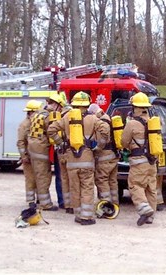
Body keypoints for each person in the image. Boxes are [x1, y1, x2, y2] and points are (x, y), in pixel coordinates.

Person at [48, 92, 109, 225]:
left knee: (75, 187)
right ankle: (86, 217)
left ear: (74, 104)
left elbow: (51, 130)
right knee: (87, 187)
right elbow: (105, 129)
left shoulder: (66, 117)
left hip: (71, 160)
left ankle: (78, 214)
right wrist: (99, 146)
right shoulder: (93, 119)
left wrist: (60, 143)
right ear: (87, 104)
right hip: (87, 158)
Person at [121, 92, 157, 226]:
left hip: (138, 162)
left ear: (135, 107)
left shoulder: (132, 124)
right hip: (152, 162)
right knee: (150, 188)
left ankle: (144, 209)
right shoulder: (154, 121)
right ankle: (150, 216)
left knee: (135, 185)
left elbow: (124, 142)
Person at [27, 93, 63, 211]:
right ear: (57, 105)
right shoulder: (48, 116)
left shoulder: (39, 113)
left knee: (38, 175)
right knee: (44, 176)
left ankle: (40, 201)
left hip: (33, 149)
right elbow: (52, 133)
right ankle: (46, 204)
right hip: (41, 151)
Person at [88, 103, 119, 206]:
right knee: (112, 181)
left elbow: (104, 135)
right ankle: (115, 203)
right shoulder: (109, 118)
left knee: (102, 179)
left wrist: (99, 147)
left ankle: (107, 205)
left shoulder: (102, 122)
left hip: (104, 156)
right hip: (113, 155)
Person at [17, 100, 42, 206]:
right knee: (30, 179)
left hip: (36, 156)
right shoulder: (24, 125)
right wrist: (24, 156)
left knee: (39, 177)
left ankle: (39, 199)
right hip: (28, 157)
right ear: (32, 112)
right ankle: (31, 201)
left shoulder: (36, 122)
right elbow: (21, 142)